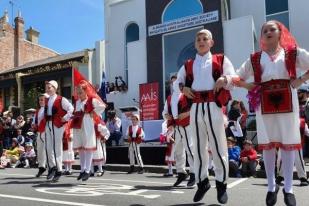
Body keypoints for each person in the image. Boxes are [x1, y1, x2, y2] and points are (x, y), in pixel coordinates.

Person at [224, 20, 309, 206]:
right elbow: (238, 75)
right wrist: (226, 79)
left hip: (289, 99)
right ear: (261, 36)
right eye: (265, 30)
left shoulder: (293, 53)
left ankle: (288, 188)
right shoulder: (255, 58)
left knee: (288, 144)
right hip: (264, 103)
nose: (269, 32)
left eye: (273, 29)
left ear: (280, 33)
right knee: (267, 145)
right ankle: (271, 185)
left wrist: (301, 79)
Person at [173, 29, 235, 204]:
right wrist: (183, 88)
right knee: (198, 147)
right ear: (195, 44)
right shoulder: (188, 64)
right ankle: (202, 182)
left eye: (205, 38)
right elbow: (179, 81)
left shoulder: (220, 59)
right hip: (196, 107)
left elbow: (232, 76)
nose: (201, 41)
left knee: (218, 146)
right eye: (198, 39)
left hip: (214, 106)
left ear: (211, 42)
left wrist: (224, 79)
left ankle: (221, 184)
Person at [72, 80, 106, 182]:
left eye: (81, 92)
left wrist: (93, 113)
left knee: (88, 147)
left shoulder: (91, 100)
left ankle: (87, 170)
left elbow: (102, 106)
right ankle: (82, 169)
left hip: (87, 123)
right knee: (81, 148)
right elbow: (75, 112)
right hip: (78, 124)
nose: (79, 95)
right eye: (78, 93)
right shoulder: (77, 102)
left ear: (86, 91)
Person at [44, 80, 74, 182]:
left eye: (49, 87)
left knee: (57, 147)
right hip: (48, 124)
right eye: (47, 87)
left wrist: (65, 118)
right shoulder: (47, 100)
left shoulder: (61, 99)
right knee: (48, 147)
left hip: (57, 125)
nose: (47, 89)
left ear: (55, 88)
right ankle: (52, 167)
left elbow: (71, 109)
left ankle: (59, 169)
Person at [32, 93, 48, 177]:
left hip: (47, 132)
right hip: (39, 132)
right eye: (40, 100)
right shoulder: (37, 110)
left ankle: (51, 168)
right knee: (40, 150)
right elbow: (34, 121)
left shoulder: (48, 109)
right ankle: (41, 167)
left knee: (48, 151)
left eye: (42, 99)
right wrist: (33, 124)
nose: (40, 101)